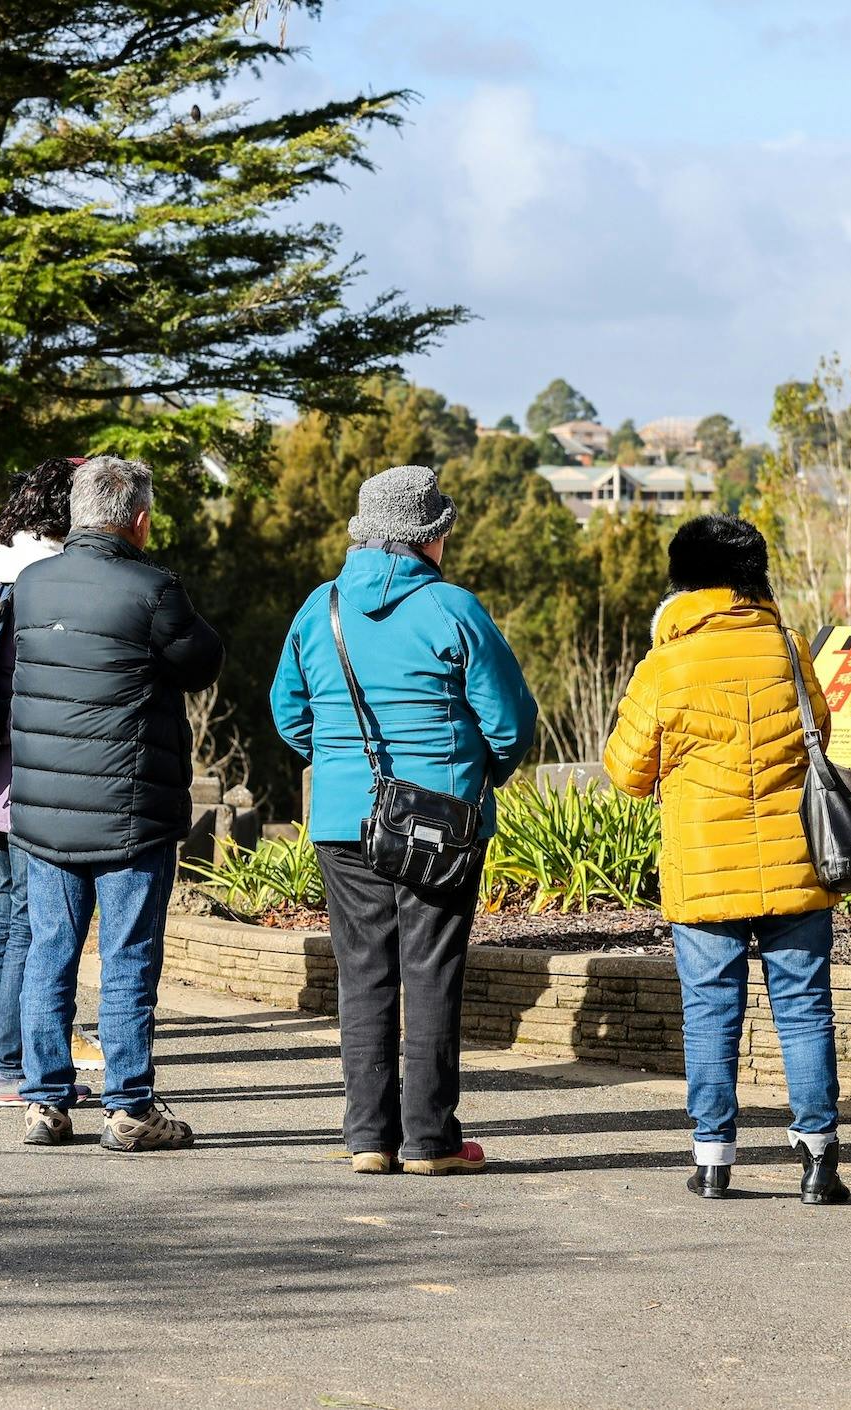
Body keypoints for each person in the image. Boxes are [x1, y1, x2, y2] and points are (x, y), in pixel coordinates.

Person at [269, 465, 537, 1177]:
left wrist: (340, 769)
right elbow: (511, 722)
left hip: (342, 821)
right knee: (431, 972)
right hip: (439, 822)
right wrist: (479, 777)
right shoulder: (454, 609)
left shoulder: (318, 607)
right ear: (431, 537)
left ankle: (368, 1138)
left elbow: (289, 715)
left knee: (362, 974)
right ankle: (428, 1140)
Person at [603, 515, 850, 1206]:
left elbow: (625, 770)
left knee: (710, 1010)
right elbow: (819, 732)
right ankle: (818, 1160)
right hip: (796, 865)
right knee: (804, 1010)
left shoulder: (666, 663)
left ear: (683, 581)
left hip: (706, 867)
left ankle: (713, 1161)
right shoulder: (788, 645)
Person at [8, 456, 224, 1153]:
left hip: (43, 807)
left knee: (50, 951)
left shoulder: (32, 586)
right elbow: (201, 662)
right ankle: (129, 1107)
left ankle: (45, 1102)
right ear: (138, 518)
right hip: (129, 808)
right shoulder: (154, 588)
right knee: (129, 957)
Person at [0, 456, 102, 1107]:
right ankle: (21, 1071)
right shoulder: (45, 582)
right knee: (35, 927)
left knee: (6, 921)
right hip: (29, 776)